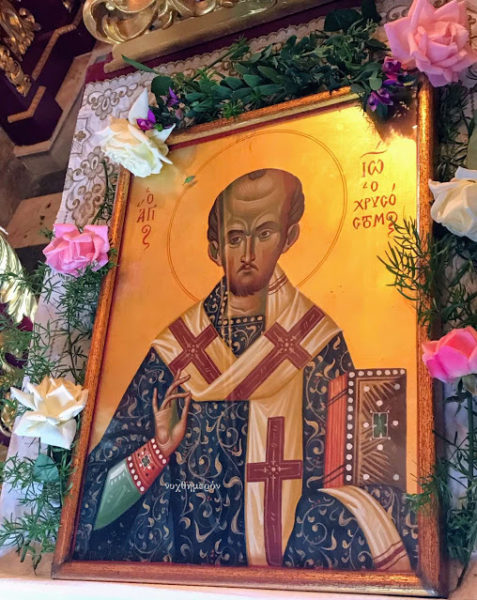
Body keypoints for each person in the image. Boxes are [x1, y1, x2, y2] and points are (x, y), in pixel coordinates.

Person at [74, 169, 417, 571]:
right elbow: (92, 508)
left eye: (265, 233)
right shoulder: (175, 353)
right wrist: (158, 450)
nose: (248, 252)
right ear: (215, 248)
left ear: (289, 237)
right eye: (236, 237)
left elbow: (370, 483)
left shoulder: (317, 344)